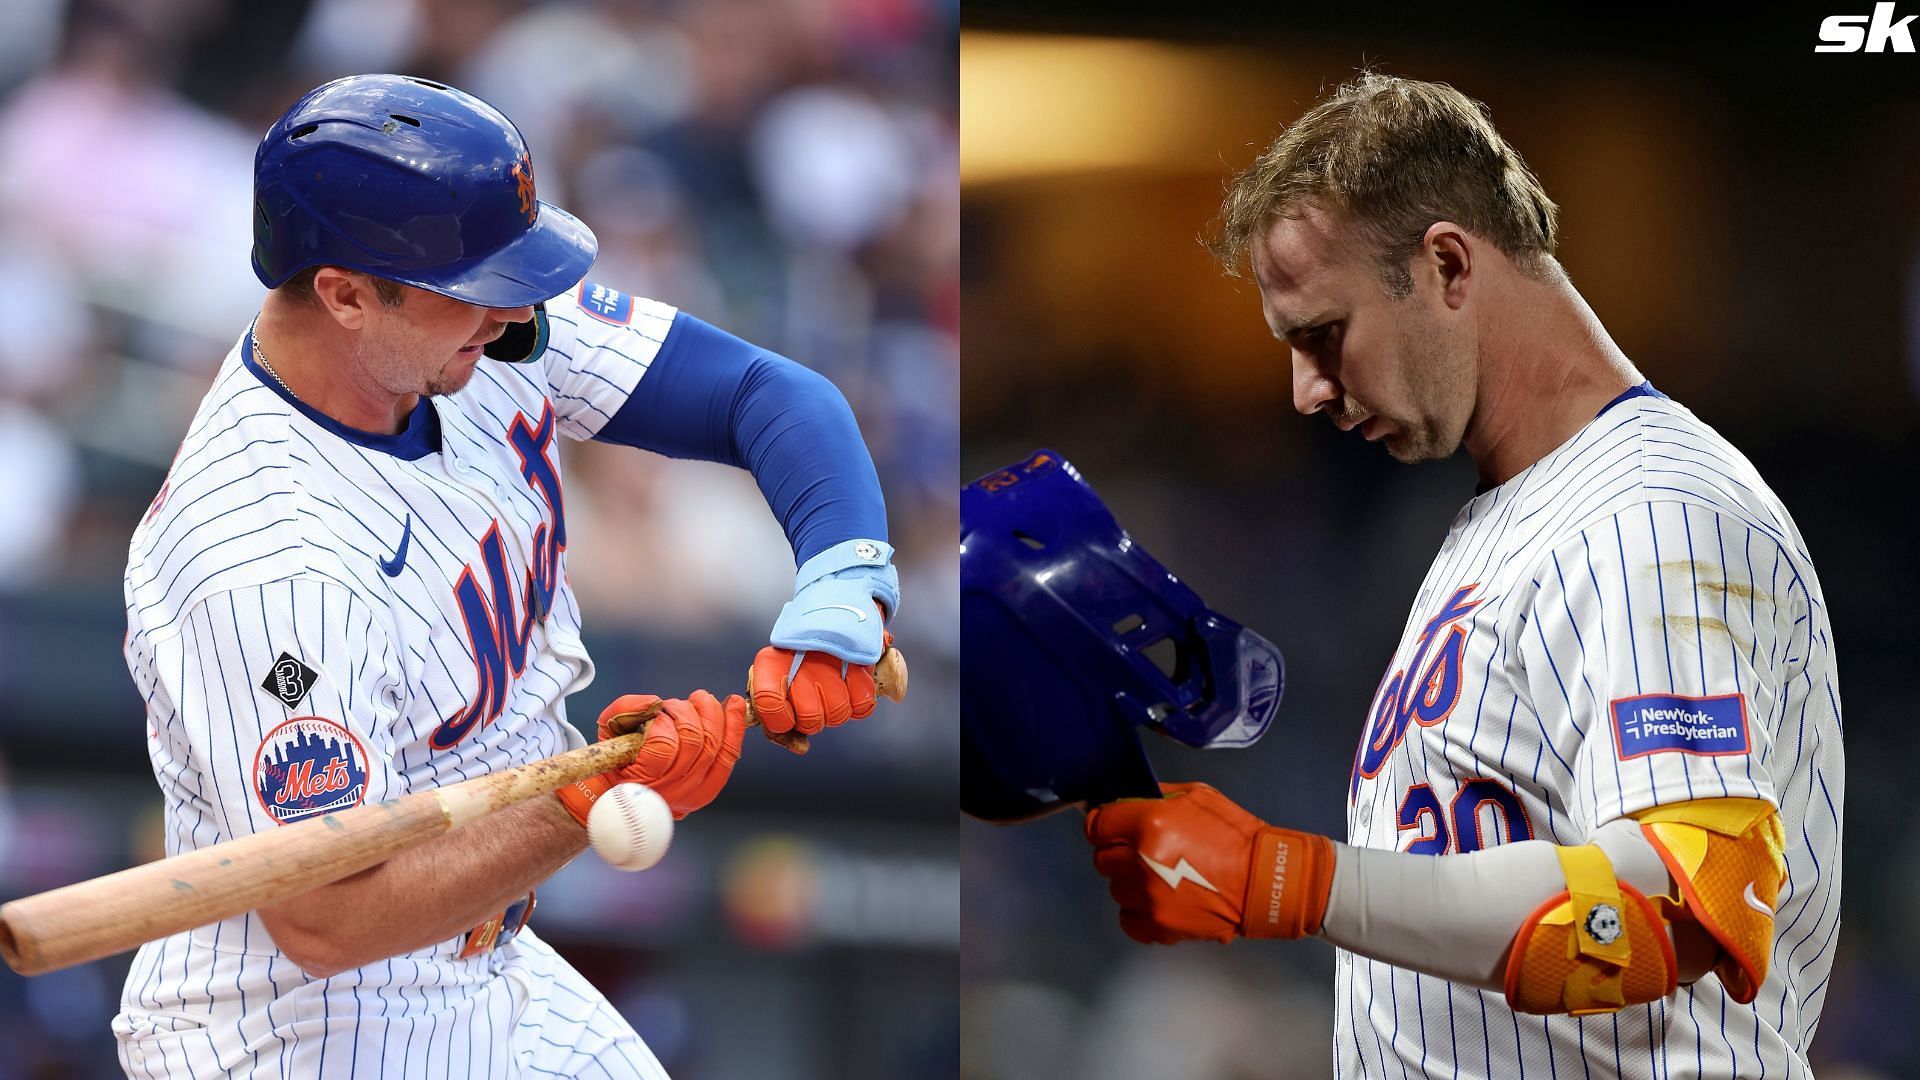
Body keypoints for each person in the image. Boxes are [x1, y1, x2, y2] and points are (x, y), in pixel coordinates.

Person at [114, 74, 898, 1078]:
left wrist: (844, 575)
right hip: (299, 1025)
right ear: (344, 294)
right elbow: (326, 917)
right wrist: (585, 799)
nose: (512, 310)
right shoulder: (262, 555)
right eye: (476, 288)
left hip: (488, 965)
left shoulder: (461, 326)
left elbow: (764, 394)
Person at [1081, 74, 1842, 1076]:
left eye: (1323, 335)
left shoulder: (1649, 511)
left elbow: (1677, 902)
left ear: (1446, 263)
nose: (1305, 390)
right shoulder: (1508, 515)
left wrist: (1291, 880)